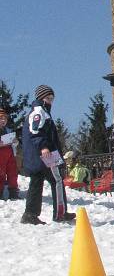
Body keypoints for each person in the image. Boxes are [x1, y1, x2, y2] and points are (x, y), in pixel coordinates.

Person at [21, 85, 76, 225]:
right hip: (45, 154)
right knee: (57, 180)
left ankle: (30, 214)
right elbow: (36, 132)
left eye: (52, 98)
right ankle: (60, 212)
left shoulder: (42, 111)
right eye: (48, 98)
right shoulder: (39, 112)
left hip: (35, 155)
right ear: (41, 98)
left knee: (37, 181)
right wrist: (44, 147)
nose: (51, 101)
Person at [0, 106, 20, 200]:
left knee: (13, 173)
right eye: (1, 118)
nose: (3, 120)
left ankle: (13, 191)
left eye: (5, 118)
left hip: (10, 153)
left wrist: (15, 142)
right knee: (1, 173)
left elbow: (13, 141)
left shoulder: (8, 130)